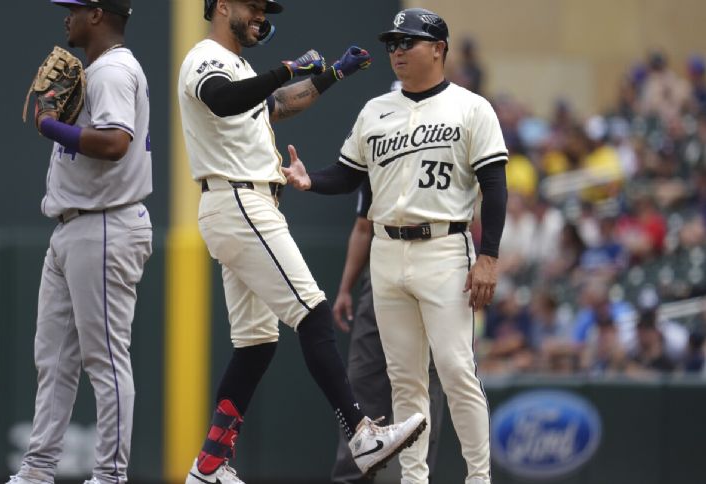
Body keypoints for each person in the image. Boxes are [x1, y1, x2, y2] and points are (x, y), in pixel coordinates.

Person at [177, 1, 427, 483]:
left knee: (255, 344)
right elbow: (222, 99)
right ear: (221, 5)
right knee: (312, 312)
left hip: (241, 204)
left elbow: (277, 105)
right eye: (251, 6)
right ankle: (362, 434)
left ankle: (209, 465)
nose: (259, 15)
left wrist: (333, 74)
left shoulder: (241, 67)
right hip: (238, 200)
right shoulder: (206, 57)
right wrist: (284, 67)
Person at [282, 8, 508, 484]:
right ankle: (414, 479)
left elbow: (495, 184)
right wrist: (310, 181)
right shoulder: (375, 111)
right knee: (404, 378)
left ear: (438, 48)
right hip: (386, 251)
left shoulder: (471, 107)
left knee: (454, 368)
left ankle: (479, 477)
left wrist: (489, 257)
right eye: (392, 43)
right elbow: (347, 175)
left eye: (409, 42)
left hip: (444, 247)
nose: (398, 51)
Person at [8, 1, 153, 483]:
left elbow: (114, 144)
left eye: (73, 8)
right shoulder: (99, 70)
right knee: (53, 360)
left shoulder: (113, 71)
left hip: (105, 224)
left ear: (97, 14)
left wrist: (50, 124)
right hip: (74, 226)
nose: (64, 17)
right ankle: (36, 471)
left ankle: (110, 477)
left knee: (105, 361)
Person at [331, 179, 447, 484]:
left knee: (425, 389)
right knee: (361, 384)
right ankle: (351, 477)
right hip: (382, 273)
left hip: (435, 268)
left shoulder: (448, 137)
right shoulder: (377, 145)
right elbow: (362, 226)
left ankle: (418, 479)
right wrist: (345, 288)